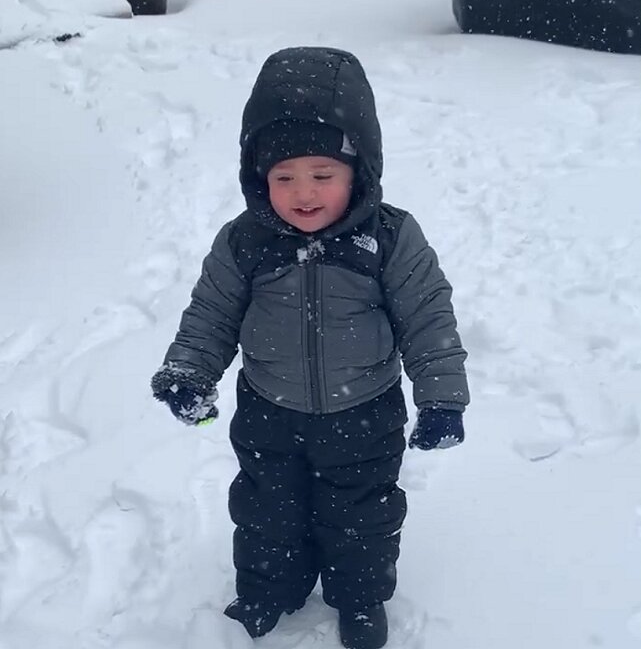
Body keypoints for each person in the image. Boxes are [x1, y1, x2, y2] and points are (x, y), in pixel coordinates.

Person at [150, 46, 469, 649]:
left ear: (360, 173)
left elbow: (428, 316)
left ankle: (359, 600)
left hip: (365, 411)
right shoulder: (246, 241)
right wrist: (189, 370)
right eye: (283, 177)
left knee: (361, 518)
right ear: (257, 179)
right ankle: (270, 592)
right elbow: (212, 312)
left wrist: (442, 398)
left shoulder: (390, 237)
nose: (303, 194)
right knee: (267, 513)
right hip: (269, 409)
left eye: (323, 175)